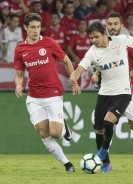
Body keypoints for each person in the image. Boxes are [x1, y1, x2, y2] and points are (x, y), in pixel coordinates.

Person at [68, 21, 133, 174]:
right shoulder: (92, 51)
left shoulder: (120, 41)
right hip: (104, 93)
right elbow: (80, 68)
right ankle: (106, 164)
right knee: (99, 129)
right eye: (91, 38)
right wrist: (73, 79)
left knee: (108, 121)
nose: (94, 41)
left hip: (123, 92)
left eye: (96, 37)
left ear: (105, 34)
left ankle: (103, 151)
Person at [14, 13, 80, 172]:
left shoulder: (49, 43)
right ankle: (67, 164)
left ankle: (64, 125)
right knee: (44, 133)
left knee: (56, 133)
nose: (36, 31)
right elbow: (19, 74)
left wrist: (73, 80)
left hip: (53, 94)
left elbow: (66, 60)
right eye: (32, 27)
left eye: (38, 27)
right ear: (25, 28)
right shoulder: (20, 49)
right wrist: (18, 85)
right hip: (34, 97)